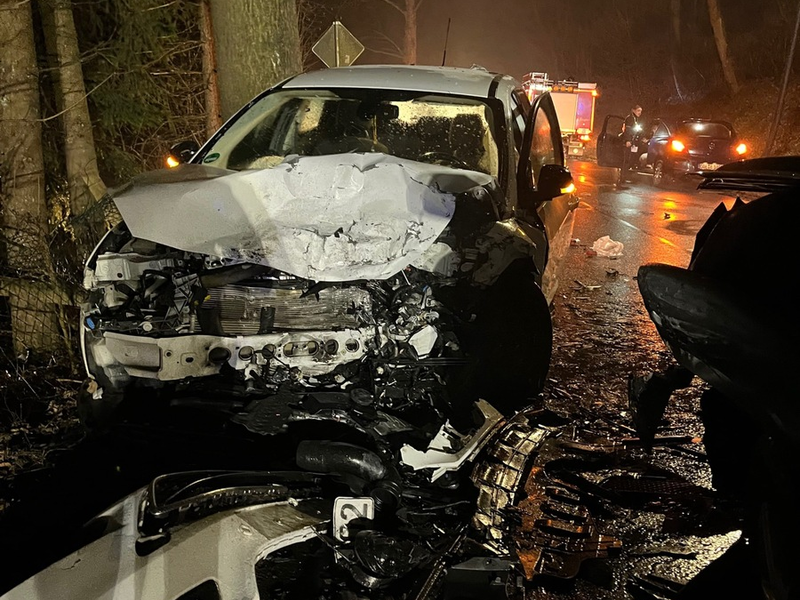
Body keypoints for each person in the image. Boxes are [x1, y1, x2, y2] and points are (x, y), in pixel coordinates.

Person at [617, 104, 643, 186]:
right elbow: (627, 130)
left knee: (630, 160)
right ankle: (622, 177)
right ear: (633, 110)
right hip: (628, 142)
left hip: (633, 143)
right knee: (626, 160)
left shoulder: (636, 120)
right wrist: (627, 140)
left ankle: (625, 176)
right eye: (638, 110)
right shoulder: (630, 119)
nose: (640, 113)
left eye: (641, 111)